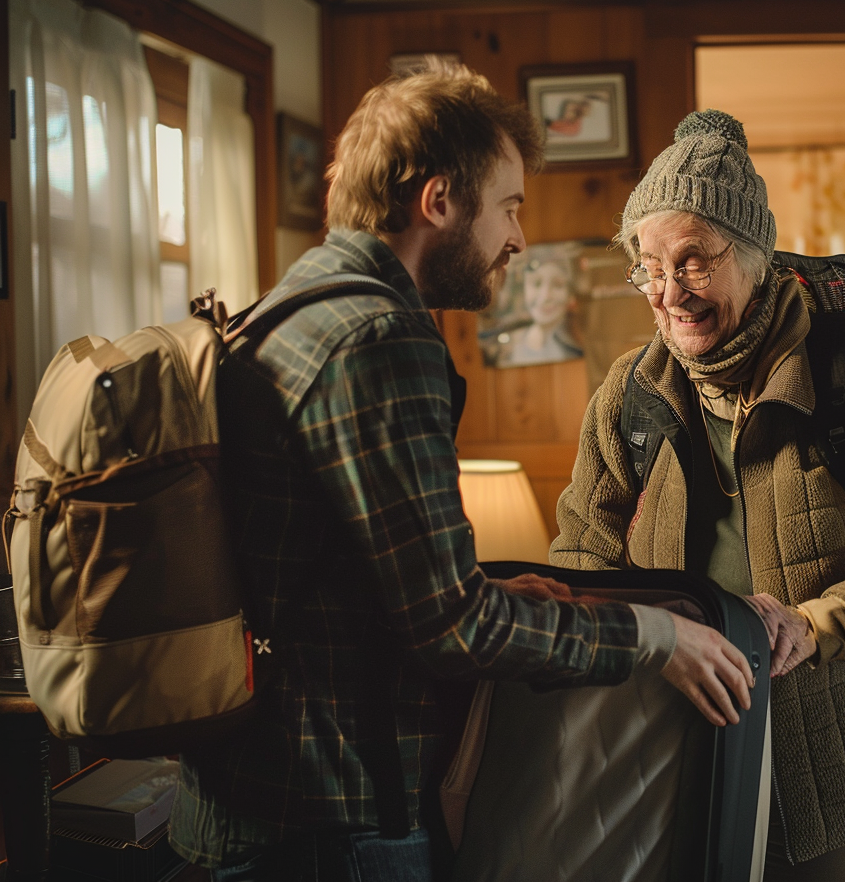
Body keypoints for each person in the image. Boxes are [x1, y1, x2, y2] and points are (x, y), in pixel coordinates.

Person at [169, 66, 756, 882]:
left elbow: (343, 575)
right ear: (439, 201)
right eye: (510, 206)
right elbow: (451, 629)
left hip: (242, 797)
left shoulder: (290, 306)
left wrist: (505, 596)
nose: (518, 236)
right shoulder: (380, 338)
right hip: (330, 824)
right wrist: (658, 637)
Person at [551, 109, 845, 882]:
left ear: (755, 256)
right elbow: (581, 558)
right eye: (649, 268)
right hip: (664, 751)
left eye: (695, 261)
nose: (670, 293)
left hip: (827, 757)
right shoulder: (625, 394)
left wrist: (817, 624)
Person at [495, 255, 583, 366]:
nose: (545, 296)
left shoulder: (577, 345)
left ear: (571, 294)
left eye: (557, 285)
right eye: (536, 283)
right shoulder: (507, 346)